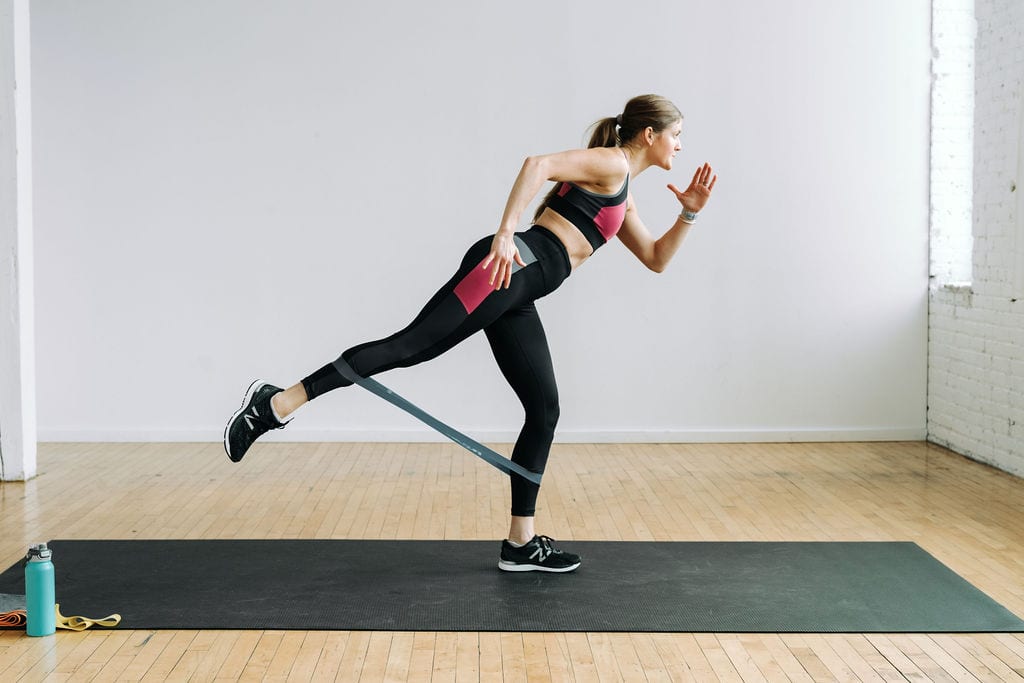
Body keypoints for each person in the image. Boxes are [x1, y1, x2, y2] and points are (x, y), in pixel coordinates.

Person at [224, 94, 716, 573]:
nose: (679, 145)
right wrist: (506, 233)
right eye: (676, 135)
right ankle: (273, 405)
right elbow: (537, 164)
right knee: (409, 346)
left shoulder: (622, 191)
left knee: (545, 408)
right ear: (649, 135)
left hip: (518, 291)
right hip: (507, 269)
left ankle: (520, 543)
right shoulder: (610, 162)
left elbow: (655, 259)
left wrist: (689, 213)